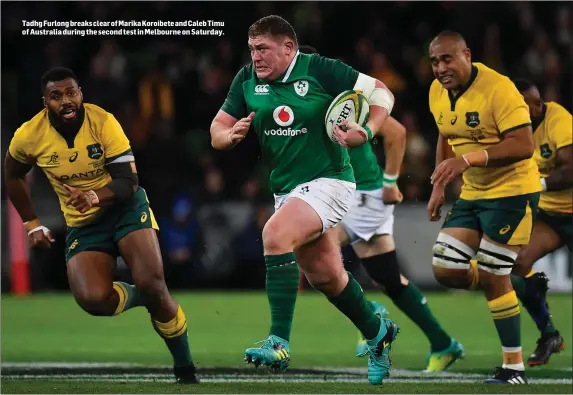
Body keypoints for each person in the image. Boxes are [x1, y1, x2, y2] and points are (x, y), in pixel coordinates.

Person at [210, 15, 398, 385]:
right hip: (288, 190)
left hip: (331, 182)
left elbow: (382, 93)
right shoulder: (246, 78)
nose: (256, 57)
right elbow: (216, 130)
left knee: (274, 235)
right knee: (327, 278)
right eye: (252, 49)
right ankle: (378, 334)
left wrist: (369, 129)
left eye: (262, 49)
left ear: (289, 47)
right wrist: (230, 135)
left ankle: (279, 342)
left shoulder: (322, 70)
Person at [4, 67, 198, 384]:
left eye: (71, 93)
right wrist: (32, 224)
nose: (66, 101)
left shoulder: (103, 122)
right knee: (93, 301)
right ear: (45, 102)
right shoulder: (29, 135)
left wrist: (95, 195)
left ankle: (185, 368)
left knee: (153, 281)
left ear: (81, 93)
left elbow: (129, 182)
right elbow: (12, 174)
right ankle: (143, 295)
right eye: (56, 96)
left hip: (123, 208)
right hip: (83, 222)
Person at [300, 44, 464, 373]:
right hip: (344, 192)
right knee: (387, 277)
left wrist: (391, 181)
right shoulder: (296, 107)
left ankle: (372, 319)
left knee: (318, 259)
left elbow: (397, 132)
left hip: (362, 194)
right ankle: (443, 342)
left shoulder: (343, 100)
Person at [427, 31, 541, 384]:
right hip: (474, 194)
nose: (441, 68)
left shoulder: (500, 88)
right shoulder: (437, 92)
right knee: (444, 269)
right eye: (434, 62)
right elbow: (445, 134)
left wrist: (470, 159)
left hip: (513, 191)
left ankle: (514, 368)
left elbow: (524, 143)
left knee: (493, 274)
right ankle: (505, 281)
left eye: (447, 59)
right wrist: (439, 185)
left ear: (467, 55)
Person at [509, 78, 570, 366]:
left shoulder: (559, 120)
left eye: (520, 107)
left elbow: (571, 170)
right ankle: (549, 334)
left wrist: (538, 185)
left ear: (537, 105)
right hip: (552, 216)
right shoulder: (516, 129)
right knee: (517, 264)